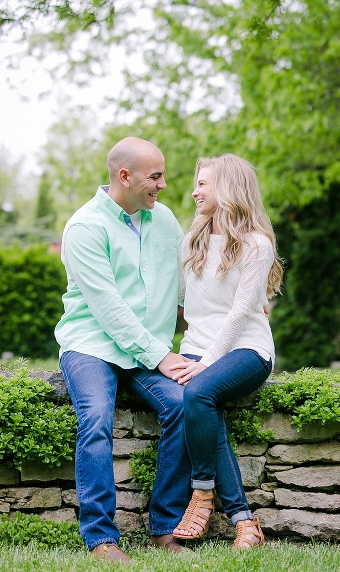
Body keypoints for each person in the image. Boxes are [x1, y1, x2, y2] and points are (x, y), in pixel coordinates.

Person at [55, 137, 192, 562]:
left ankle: (164, 529)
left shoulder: (164, 219)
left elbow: (187, 282)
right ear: (124, 176)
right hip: (91, 345)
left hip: (144, 350)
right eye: (155, 176)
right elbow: (108, 309)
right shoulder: (85, 227)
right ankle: (100, 538)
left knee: (187, 404)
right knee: (95, 418)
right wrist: (162, 356)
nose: (164, 185)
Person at [167, 154, 283, 549]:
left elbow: (237, 314)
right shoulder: (192, 240)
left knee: (198, 392)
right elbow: (182, 303)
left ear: (229, 188)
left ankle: (201, 493)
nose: (194, 191)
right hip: (198, 349)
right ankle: (244, 522)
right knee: (202, 404)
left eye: (203, 184)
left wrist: (206, 365)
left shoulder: (256, 244)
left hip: (246, 349)